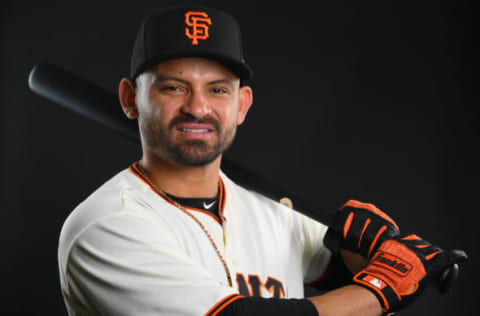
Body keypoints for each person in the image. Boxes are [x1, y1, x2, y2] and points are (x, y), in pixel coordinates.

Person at [57, 4, 466, 316]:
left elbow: (345, 270)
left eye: (218, 90)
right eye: (173, 87)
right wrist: (382, 287)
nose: (197, 108)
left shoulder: (269, 211)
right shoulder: (104, 225)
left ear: (242, 105)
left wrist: (376, 249)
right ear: (130, 99)